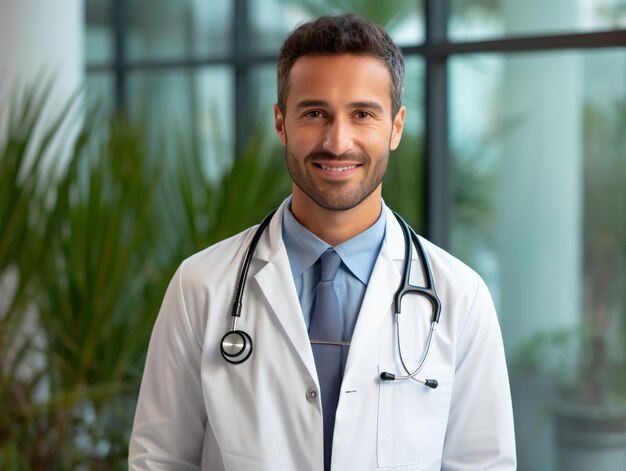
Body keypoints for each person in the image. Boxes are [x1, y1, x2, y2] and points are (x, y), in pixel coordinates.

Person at [129, 13, 516, 471]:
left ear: (395, 127)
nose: (338, 141)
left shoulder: (461, 298)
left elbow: (481, 465)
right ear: (280, 123)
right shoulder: (201, 286)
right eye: (315, 113)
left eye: (363, 115)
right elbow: (160, 460)